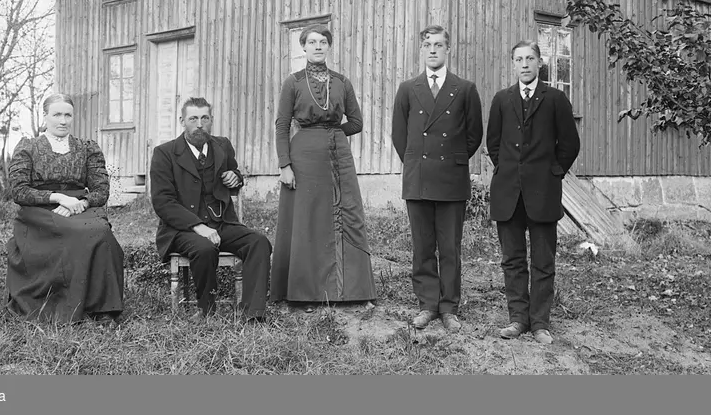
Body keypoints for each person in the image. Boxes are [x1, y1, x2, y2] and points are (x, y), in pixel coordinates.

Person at [271, 25, 376, 304]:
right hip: (303, 157)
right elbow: (282, 126)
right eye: (312, 42)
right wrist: (285, 165)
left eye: (323, 42)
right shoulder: (292, 82)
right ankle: (304, 293)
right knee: (308, 221)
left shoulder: (341, 82)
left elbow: (356, 122)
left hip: (338, 157)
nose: (318, 47)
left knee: (348, 217)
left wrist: (333, 133)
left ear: (329, 47)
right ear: (303, 47)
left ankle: (352, 291)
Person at [486, 40, 581, 344]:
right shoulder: (502, 99)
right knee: (512, 259)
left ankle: (540, 322)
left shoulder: (555, 99)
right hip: (508, 194)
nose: (524, 64)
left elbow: (569, 145)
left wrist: (552, 174)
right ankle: (517, 319)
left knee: (543, 260)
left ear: (540, 63)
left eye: (530, 58)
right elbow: (494, 144)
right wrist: (509, 172)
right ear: (513, 64)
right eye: (519, 59)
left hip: (543, 193)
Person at [391, 24, 483, 332]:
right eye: (428, 44)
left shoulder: (465, 89)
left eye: (439, 45)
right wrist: (418, 163)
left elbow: (474, 136)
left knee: (449, 247)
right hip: (418, 178)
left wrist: (450, 162)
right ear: (421, 50)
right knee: (422, 246)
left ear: (448, 50)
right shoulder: (408, 88)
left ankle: (449, 308)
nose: (433, 49)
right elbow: (399, 135)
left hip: (451, 179)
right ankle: (427, 304)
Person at [5, 94, 124, 325]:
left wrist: (81, 204)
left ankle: (102, 308)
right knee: (78, 233)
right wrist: (58, 197)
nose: (63, 120)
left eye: (67, 115)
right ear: (45, 117)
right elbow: (19, 192)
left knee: (101, 233)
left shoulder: (86, 148)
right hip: (39, 210)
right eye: (56, 114)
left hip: (79, 207)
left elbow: (101, 190)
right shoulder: (28, 147)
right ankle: (60, 305)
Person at [150, 96, 272, 321]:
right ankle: (207, 310)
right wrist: (198, 227)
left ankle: (252, 313)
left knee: (259, 242)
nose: (199, 124)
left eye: (204, 118)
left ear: (211, 120)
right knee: (204, 248)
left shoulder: (222, 146)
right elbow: (162, 202)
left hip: (221, 223)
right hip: (182, 230)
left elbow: (235, 173)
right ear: (182, 121)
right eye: (193, 118)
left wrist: (235, 177)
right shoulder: (164, 153)